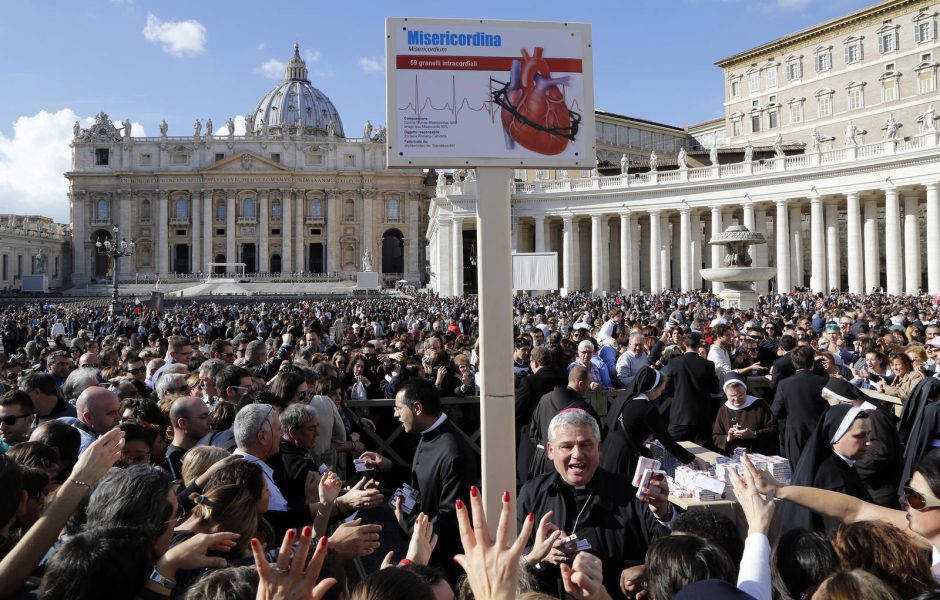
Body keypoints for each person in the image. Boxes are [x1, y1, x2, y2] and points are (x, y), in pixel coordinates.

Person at [517, 409, 673, 600]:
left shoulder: (629, 492)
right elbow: (515, 555)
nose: (577, 454)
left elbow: (669, 552)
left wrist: (663, 513)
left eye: (586, 445)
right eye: (566, 446)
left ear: (599, 448)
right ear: (550, 450)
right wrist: (540, 557)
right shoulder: (532, 493)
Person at [360, 378, 479, 582]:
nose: (395, 414)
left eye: (398, 408)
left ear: (417, 408)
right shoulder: (430, 434)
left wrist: (404, 520)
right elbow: (426, 481)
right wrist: (389, 467)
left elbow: (450, 518)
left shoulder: (453, 452)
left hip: (443, 566)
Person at [779, 403, 873, 533]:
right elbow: (841, 534)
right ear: (836, 436)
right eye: (859, 435)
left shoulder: (833, 462)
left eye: (869, 434)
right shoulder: (834, 480)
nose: (868, 441)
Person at [602, 366, 700, 475]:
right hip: (625, 459)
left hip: (607, 452)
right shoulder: (647, 409)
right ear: (651, 388)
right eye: (660, 390)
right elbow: (667, 441)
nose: (660, 394)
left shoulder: (622, 398)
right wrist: (694, 459)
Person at [528, 366, 601, 478]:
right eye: (588, 384)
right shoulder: (584, 410)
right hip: (568, 466)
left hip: (541, 462)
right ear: (581, 384)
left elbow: (533, 433)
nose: (588, 389)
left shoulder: (544, 399)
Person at [515, 346, 567, 485]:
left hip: (533, 435)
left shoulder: (529, 381)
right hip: (557, 432)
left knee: (529, 476)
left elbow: (518, 409)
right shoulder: (561, 378)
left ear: (535, 362)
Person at [772, 345, 829, 469]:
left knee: (797, 471)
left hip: (795, 434)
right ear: (812, 362)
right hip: (819, 432)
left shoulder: (784, 384)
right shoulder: (824, 382)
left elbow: (776, 411)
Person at [666, 332, 721, 447]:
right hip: (702, 416)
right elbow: (715, 389)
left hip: (680, 415)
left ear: (685, 344)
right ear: (699, 345)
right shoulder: (707, 365)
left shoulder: (675, 362)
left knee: (672, 450)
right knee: (705, 452)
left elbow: (667, 389)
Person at [713, 378, 778, 456]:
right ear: (726, 395)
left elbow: (774, 429)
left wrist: (754, 434)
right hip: (733, 457)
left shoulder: (759, 405)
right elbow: (716, 437)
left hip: (760, 454)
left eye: (741, 395)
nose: (737, 399)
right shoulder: (723, 410)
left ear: (745, 391)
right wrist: (728, 438)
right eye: (732, 396)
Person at [165, 396, 212, 480]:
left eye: (209, 415)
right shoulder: (172, 461)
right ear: (182, 423)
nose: (210, 421)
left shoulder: (208, 448)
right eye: (203, 417)